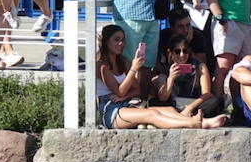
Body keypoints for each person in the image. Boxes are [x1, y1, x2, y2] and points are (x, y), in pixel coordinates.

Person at [96, 24, 229, 130]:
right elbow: (119, 91)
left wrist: (123, 97)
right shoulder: (101, 66)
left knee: (169, 110)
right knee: (152, 114)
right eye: (116, 40)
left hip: (126, 104)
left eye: (123, 40)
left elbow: (136, 90)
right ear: (106, 41)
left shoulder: (123, 62)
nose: (121, 44)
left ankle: (203, 122)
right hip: (111, 110)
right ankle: (193, 123)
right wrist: (134, 69)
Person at [153, 35, 222, 117]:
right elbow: (162, 98)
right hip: (174, 105)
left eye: (185, 51)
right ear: (170, 53)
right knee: (154, 103)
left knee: (216, 101)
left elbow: (206, 94)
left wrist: (190, 107)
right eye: (177, 51)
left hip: (195, 105)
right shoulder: (166, 70)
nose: (182, 55)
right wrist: (171, 78)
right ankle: (188, 118)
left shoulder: (199, 66)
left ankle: (178, 117)